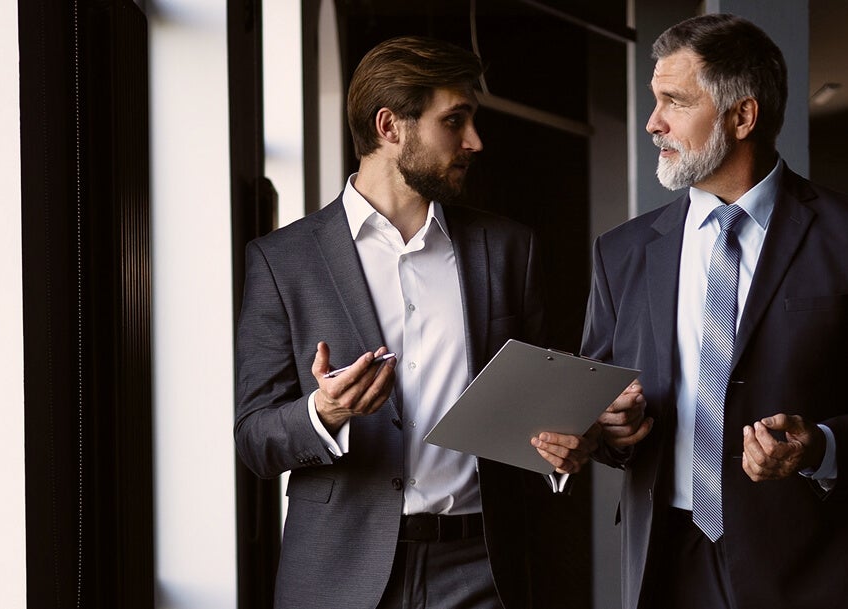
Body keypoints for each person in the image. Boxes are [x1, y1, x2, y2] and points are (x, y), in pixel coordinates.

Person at [583, 13, 848, 609]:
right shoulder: (621, 252)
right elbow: (595, 407)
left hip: (809, 570)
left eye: (674, 101)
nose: (653, 123)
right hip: (664, 564)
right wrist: (608, 432)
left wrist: (819, 445)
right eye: (655, 101)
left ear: (742, 116)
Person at [235, 35, 593, 609]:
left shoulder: (509, 249)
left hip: (485, 569)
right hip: (339, 574)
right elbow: (254, 440)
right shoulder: (283, 261)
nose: (475, 142)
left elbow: (542, 411)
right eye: (455, 121)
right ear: (389, 126)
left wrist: (564, 447)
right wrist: (324, 414)